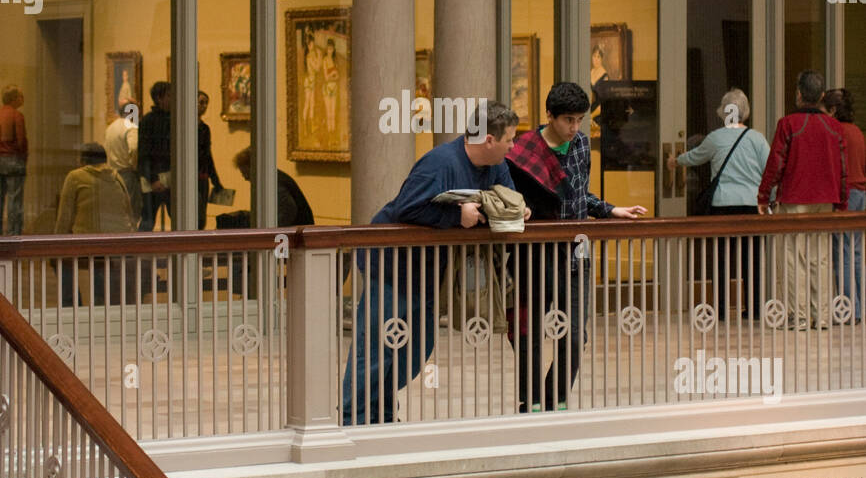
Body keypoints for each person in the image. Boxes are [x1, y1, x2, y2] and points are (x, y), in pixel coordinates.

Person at [342, 102, 529, 424]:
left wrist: (516, 211)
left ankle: (382, 413)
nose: (513, 145)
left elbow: (506, 196)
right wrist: (455, 215)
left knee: (415, 352)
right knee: (375, 348)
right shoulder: (438, 163)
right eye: (510, 139)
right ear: (488, 139)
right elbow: (406, 209)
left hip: (430, 273)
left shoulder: (497, 166)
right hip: (391, 266)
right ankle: (355, 418)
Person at [506, 82, 646, 412]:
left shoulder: (581, 144)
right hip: (535, 252)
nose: (575, 127)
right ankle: (534, 400)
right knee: (530, 329)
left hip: (577, 247)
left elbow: (580, 193)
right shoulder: (522, 151)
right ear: (550, 116)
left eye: (580, 120)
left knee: (576, 331)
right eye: (568, 120)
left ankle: (555, 398)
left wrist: (609, 209)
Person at [667, 89, 770, 320]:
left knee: (721, 258)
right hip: (751, 205)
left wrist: (675, 161)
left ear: (724, 113)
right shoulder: (757, 138)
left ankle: (722, 309)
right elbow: (770, 168)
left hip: (722, 205)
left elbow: (695, 157)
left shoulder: (715, 138)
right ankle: (753, 308)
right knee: (751, 259)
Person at [758, 70, 847, 330]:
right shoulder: (835, 127)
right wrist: (842, 201)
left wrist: (764, 195)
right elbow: (843, 169)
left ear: (798, 93)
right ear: (821, 96)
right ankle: (821, 316)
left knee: (792, 258)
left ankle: (799, 317)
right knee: (820, 257)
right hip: (826, 199)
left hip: (795, 197)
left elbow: (776, 163)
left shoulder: (788, 124)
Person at [54, 143, 136, 304]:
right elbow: (129, 211)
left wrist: (56, 244)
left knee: (61, 263)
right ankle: (99, 299)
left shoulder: (75, 177)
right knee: (101, 266)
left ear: (82, 160)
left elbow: (65, 216)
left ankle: (71, 305)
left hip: (89, 243)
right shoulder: (117, 176)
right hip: (120, 244)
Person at [824, 88, 866, 322]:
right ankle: (861, 306)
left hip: (845, 194)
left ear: (833, 110)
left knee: (843, 254)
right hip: (861, 192)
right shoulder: (858, 132)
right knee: (857, 253)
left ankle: (850, 309)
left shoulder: (836, 131)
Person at [222, 147, 315, 228]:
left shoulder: (273, 183)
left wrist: (268, 233)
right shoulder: (273, 178)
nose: (245, 178)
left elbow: (287, 212)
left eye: (246, 174)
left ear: (254, 168)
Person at [138, 81, 171, 231]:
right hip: (154, 177)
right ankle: (139, 252)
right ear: (159, 98)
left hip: (170, 176)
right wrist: (153, 178)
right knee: (148, 221)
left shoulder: (174, 118)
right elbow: (144, 153)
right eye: (169, 96)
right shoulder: (148, 120)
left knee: (179, 220)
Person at [104, 101, 141, 225]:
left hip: (112, 174)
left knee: (116, 211)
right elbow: (134, 148)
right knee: (130, 212)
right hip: (127, 172)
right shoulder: (131, 127)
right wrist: (134, 164)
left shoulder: (111, 127)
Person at [0, 84, 27, 235]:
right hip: (14, 161)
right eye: (20, 96)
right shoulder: (17, 116)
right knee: (14, 199)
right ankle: (13, 234)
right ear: (14, 98)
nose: (22, 99)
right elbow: (21, 140)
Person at [197, 91, 224, 230]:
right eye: (201, 102)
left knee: (201, 216)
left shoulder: (205, 128)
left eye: (206, 103)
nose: (204, 106)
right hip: (188, 177)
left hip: (202, 176)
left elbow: (207, 155)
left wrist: (215, 180)